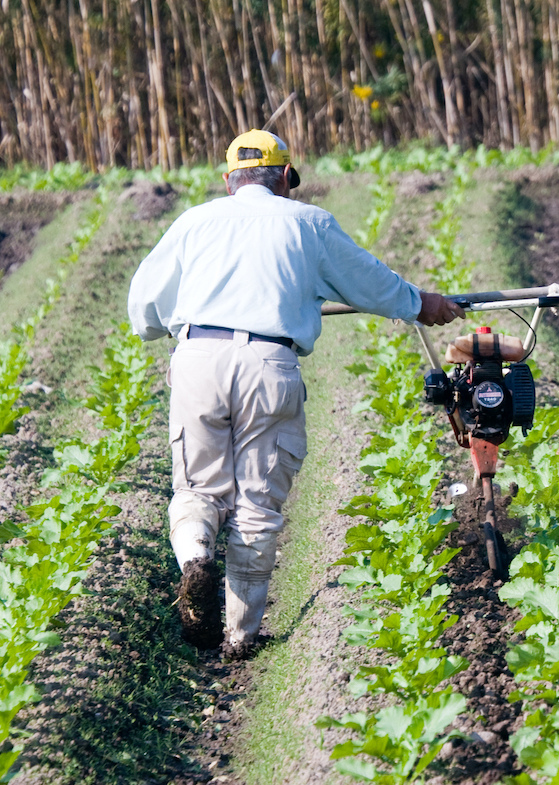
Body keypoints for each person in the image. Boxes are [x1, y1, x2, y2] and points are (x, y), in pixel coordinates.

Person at [127, 129, 465, 660]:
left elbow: (143, 305)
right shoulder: (309, 223)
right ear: (286, 177)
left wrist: (165, 326)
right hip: (268, 362)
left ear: (228, 181)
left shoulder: (193, 222)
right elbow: (369, 282)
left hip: (196, 357)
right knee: (256, 503)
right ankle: (239, 638)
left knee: (197, 488)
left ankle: (195, 557)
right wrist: (421, 303)